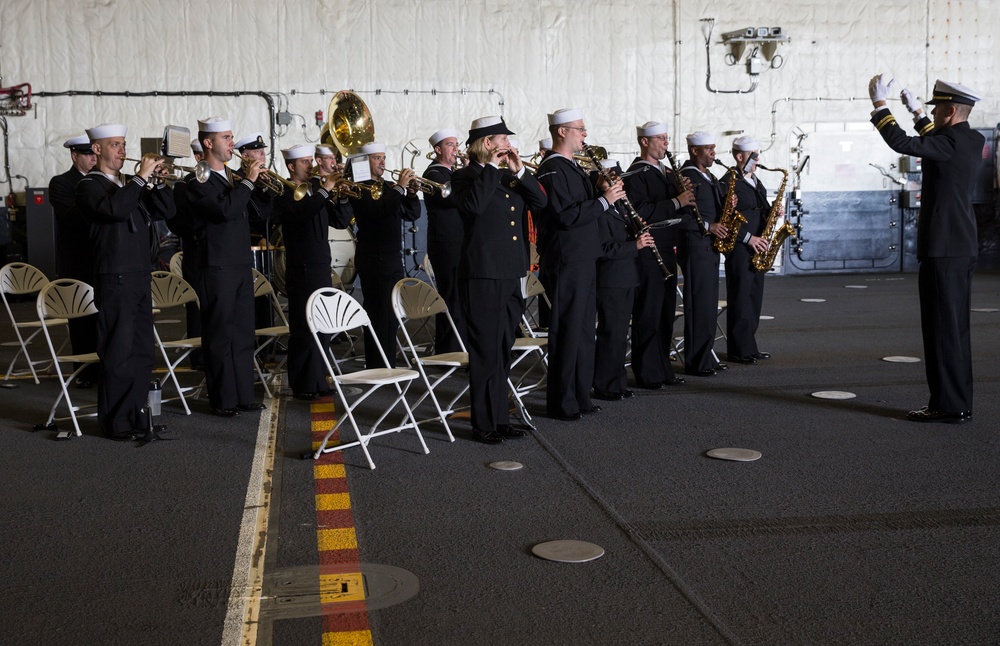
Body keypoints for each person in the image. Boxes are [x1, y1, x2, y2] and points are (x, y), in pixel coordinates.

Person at [869, 75, 983, 424]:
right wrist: (917, 110)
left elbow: (904, 143)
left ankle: (947, 405)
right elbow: (935, 139)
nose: (932, 114)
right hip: (959, 245)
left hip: (943, 248)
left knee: (940, 329)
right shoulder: (970, 138)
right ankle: (958, 400)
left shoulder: (949, 142)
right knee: (955, 328)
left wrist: (880, 107)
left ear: (949, 110)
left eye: (936, 110)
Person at [74, 123, 175, 440]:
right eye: (115, 144)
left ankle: (136, 416)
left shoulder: (131, 186)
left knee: (142, 351)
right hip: (114, 276)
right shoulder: (89, 186)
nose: (122, 149)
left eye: (123, 143)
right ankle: (117, 422)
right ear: (96, 149)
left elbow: (167, 210)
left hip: (139, 276)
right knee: (118, 352)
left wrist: (156, 183)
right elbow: (115, 210)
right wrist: (141, 179)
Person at [451, 116, 547, 443]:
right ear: (488, 143)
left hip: (511, 273)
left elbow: (540, 202)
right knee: (485, 352)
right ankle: (484, 424)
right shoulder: (465, 177)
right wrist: (492, 169)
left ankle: (499, 418)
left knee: (504, 350)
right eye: (503, 139)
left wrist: (520, 172)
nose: (508, 144)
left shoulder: (509, 177)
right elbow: (474, 207)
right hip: (482, 274)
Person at [534, 108, 625, 421]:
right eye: (580, 129)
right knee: (569, 331)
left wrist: (600, 187)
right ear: (562, 131)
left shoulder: (572, 167)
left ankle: (580, 395)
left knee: (586, 330)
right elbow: (565, 216)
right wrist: (604, 200)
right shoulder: (551, 169)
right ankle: (562, 401)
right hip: (567, 258)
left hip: (584, 256)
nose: (585, 135)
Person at [185, 117, 266, 417]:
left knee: (243, 333)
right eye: (226, 137)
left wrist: (259, 187)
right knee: (220, 334)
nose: (233, 143)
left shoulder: (232, 178)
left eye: (232, 137)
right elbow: (225, 211)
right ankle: (222, 398)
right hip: (216, 265)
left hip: (240, 264)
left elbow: (259, 214)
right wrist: (248, 183)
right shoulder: (197, 180)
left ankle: (244, 394)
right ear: (208, 143)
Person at [274, 144, 351, 400]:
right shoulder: (284, 191)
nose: (311, 166)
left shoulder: (315, 191)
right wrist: (324, 191)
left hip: (320, 266)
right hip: (302, 268)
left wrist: (343, 196)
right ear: (291, 166)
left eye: (311, 161)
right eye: (305, 162)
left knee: (323, 327)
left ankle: (318, 378)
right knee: (305, 328)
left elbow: (339, 221)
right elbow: (302, 213)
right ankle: (303, 383)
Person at [622, 121, 695, 388]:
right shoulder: (636, 175)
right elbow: (640, 212)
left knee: (665, 313)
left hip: (666, 247)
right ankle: (647, 372)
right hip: (648, 249)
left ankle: (663, 368)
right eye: (660, 139)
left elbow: (676, 211)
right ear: (644, 142)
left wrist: (683, 196)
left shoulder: (665, 174)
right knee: (649, 312)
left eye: (666, 138)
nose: (666, 143)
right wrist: (677, 201)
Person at [346, 142, 420, 368]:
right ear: (365, 161)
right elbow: (379, 211)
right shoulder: (358, 187)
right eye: (376, 158)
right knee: (378, 312)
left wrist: (411, 194)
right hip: (373, 257)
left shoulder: (388, 187)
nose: (382, 162)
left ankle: (388, 360)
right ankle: (377, 364)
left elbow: (411, 214)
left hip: (392, 257)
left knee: (392, 313)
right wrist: (400, 188)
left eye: (383, 157)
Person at [592, 158, 655, 400]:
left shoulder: (621, 207)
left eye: (619, 179)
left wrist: (639, 231)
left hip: (627, 276)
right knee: (611, 333)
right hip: (610, 279)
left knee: (620, 334)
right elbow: (604, 249)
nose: (619, 183)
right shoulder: (600, 209)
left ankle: (617, 382)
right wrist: (635, 244)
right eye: (613, 179)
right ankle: (605, 384)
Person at [49, 134, 99, 388]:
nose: (93, 158)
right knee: (81, 322)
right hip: (77, 262)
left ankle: (104, 369)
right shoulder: (61, 183)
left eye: (95, 154)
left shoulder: (104, 181)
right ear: (74, 156)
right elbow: (73, 218)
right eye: (88, 154)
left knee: (104, 318)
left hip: (102, 260)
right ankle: (85, 374)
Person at [678, 131, 729, 376]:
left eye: (713, 148)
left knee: (708, 305)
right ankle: (697, 361)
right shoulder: (686, 176)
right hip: (696, 246)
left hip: (709, 248)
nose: (713, 153)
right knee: (698, 305)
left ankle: (707, 355)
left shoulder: (709, 176)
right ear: (694, 151)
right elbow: (681, 218)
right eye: (708, 149)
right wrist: (710, 226)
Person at [719, 135, 773, 364]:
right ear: (739, 156)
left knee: (753, 298)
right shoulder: (728, 181)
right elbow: (726, 219)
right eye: (754, 155)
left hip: (758, 246)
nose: (758, 159)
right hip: (742, 247)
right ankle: (738, 349)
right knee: (740, 298)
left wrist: (773, 213)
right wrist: (749, 238)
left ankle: (750, 345)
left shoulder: (755, 181)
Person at [423, 128, 466, 353]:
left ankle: (456, 345)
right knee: (450, 296)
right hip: (446, 244)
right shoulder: (434, 174)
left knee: (458, 295)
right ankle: (449, 349)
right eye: (450, 145)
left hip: (457, 242)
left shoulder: (451, 173)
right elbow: (451, 199)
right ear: (438, 150)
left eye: (456, 144)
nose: (456, 149)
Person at [168, 138, 207, 370]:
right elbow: (175, 221)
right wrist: (197, 233)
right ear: (199, 158)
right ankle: (199, 357)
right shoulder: (184, 186)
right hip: (196, 252)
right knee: (198, 305)